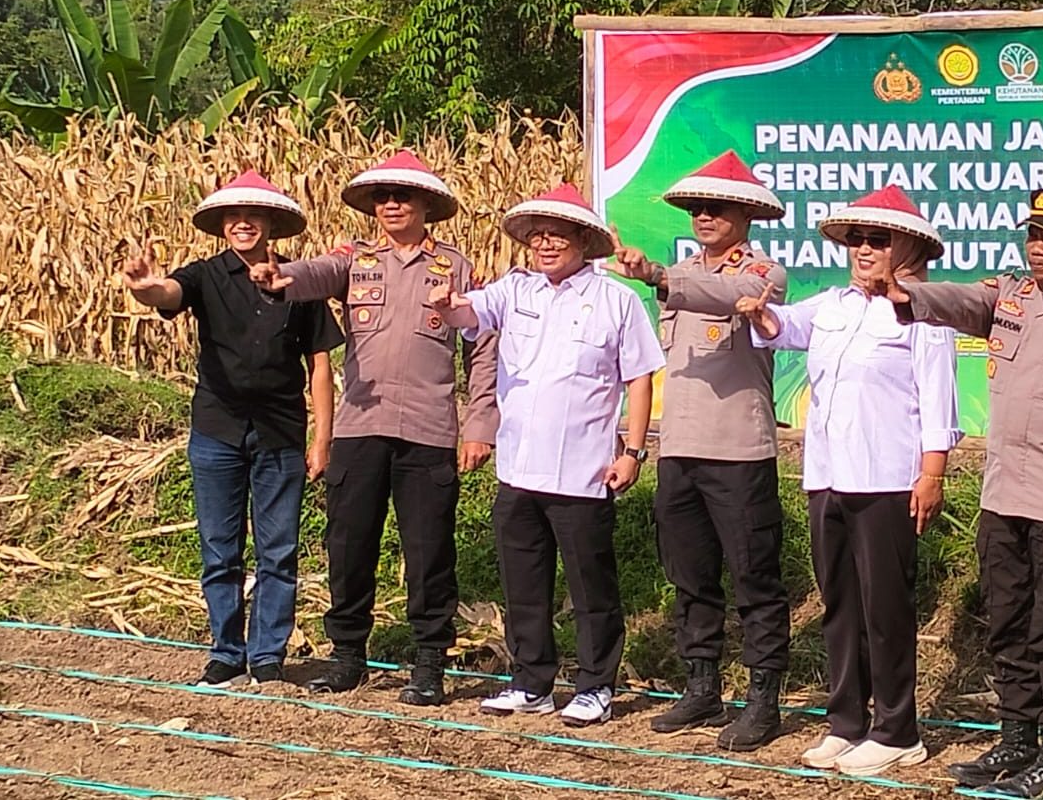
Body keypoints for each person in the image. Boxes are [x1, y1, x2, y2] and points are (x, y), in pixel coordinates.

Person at [868, 188, 1043, 799]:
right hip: (1003, 499)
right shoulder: (1009, 297)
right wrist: (905, 292)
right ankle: (1018, 741)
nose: (1040, 247)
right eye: (1033, 236)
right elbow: (959, 301)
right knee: (1007, 626)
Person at [248, 151, 499, 707]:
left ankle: (430, 661)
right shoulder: (354, 259)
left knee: (430, 549)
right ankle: (347, 656)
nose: (391, 204)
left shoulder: (458, 268)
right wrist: (280, 277)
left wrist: (480, 424)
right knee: (349, 542)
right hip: (361, 426)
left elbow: (483, 348)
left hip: (431, 430)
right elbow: (315, 273)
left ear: (426, 205)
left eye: (402, 196)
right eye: (382, 197)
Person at [736, 185, 961, 777]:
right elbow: (784, 326)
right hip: (828, 476)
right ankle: (847, 722)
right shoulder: (834, 305)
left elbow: (939, 402)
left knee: (885, 607)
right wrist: (761, 315)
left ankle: (897, 730)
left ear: (908, 248)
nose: (863, 248)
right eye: (857, 238)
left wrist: (931, 473)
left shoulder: (922, 311)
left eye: (877, 239)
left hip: (888, 478)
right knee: (840, 603)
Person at [429, 183, 663, 728]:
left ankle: (595, 686)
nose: (546, 244)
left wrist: (632, 450)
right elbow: (469, 315)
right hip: (518, 466)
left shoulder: (616, 300)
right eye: (538, 236)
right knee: (524, 582)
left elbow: (640, 378)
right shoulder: (516, 291)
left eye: (558, 235)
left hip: (584, 471)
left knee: (591, 584)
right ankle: (531, 681)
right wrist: (449, 305)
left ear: (584, 240)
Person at [120, 171, 342, 689]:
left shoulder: (298, 281)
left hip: (281, 432)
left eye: (254, 216)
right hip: (217, 430)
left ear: (270, 226)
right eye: (234, 217)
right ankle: (226, 651)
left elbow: (321, 367)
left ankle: (268, 655)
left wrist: (322, 437)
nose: (244, 224)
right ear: (223, 226)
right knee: (220, 548)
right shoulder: (205, 276)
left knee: (278, 550)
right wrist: (147, 286)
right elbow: (168, 292)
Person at [601, 151, 792, 750]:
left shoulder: (764, 272)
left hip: (738, 451)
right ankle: (702, 686)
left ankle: (763, 698)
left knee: (754, 578)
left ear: (746, 215)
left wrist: (657, 275)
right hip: (679, 448)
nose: (704, 215)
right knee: (690, 576)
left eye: (718, 207)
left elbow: (721, 293)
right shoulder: (685, 269)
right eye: (697, 208)